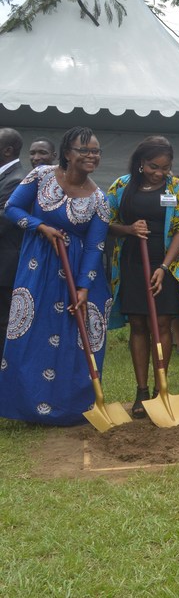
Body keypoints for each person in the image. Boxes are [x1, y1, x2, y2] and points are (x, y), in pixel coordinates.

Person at [0, 127, 111, 426]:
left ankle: (71, 407)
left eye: (96, 151)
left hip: (77, 271)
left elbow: (94, 246)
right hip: (39, 266)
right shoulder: (41, 176)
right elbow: (11, 208)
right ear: (67, 152)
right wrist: (40, 226)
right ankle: (27, 404)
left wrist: (84, 287)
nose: (92, 156)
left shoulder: (100, 199)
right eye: (84, 150)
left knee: (74, 337)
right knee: (31, 332)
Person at [106, 136, 179, 417]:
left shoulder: (176, 187)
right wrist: (128, 229)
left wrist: (164, 267)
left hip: (164, 264)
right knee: (139, 324)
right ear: (141, 163)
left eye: (165, 168)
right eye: (154, 167)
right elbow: (105, 222)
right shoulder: (121, 185)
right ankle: (141, 391)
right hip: (132, 262)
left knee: (163, 323)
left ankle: (160, 388)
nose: (159, 173)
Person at [0, 128, 25, 359]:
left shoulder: (16, 180)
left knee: (4, 323)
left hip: (5, 267)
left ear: (7, 150)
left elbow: (4, 218)